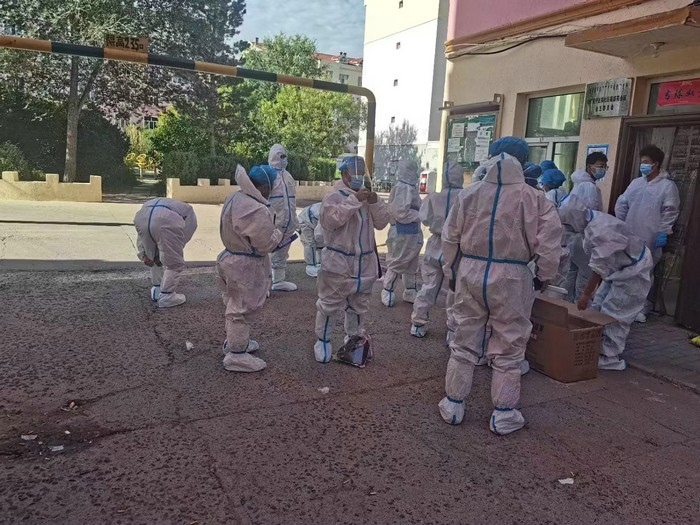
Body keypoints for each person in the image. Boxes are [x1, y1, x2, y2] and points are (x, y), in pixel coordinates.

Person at [438, 137, 562, 435]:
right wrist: (543, 276)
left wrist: (451, 270)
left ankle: (453, 404)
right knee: (509, 344)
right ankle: (503, 414)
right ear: (524, 160)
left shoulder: (470, 194)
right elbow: (549, 245)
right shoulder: (535, 199)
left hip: (470, 270)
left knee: (464, 337)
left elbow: (450, 237)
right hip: (513, 277)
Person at [559, 198, 653, 371]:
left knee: (616, 313)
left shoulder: (600, 230)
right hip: (618, 267)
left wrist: (585, 295)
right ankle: (596, 346)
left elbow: (598, 268)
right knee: (598, 306)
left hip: (634, 269)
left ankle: (610, 357)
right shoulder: (590, 221)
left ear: (574, 218)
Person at [314, 156, 392, 363]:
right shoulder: (333, 196)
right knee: (329, 305)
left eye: (361, 171)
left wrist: (375, 203)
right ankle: (323, 341)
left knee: (358, 307)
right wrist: (353, 201)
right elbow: (330, 221)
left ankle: (354, 342)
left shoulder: (366, 197)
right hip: (338, 263)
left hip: (363, 264)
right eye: (354, 172)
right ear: (344, 174)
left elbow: (382, 223)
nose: (359, 176)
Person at [217, 165, 284, 372]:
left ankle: (235, 342)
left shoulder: (235, 197)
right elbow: (264, 244)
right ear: (265, 186)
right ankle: (236, 355)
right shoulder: (256, 208)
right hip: (245, 265)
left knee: (233, 304)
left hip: (229, 258)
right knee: (241, 310)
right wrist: (278, 235)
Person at [615, 145, 680, 322]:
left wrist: (664, 231)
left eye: (646, 162)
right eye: (641, 161)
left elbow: (670, 211)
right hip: (630, 234)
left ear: (656, 164)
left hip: (651, 236)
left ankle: (642, 307)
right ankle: (625, 305)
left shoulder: (667, 186)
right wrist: (621, 225)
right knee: (627, 270)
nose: (642, 165)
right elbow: (622, 203)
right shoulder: (636, 183)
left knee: (645, 273)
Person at [410, 161, 464, 339]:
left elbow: (424, 218)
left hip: (435, 243)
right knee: (455, 289)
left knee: (429, 285)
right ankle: (453, 331)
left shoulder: (434, 197)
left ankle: (418, 323)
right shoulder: (466, 196)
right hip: (456, 246)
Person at [134, 197, 198, 308]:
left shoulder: (152, 204)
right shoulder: (188, 212)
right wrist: (173, 250)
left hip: (141, 217)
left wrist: (143, 254)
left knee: (152, 257)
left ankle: (157, 289)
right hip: (166, 220)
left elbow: (141, 236)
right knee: (174, 264)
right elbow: (185, 234)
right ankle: (167, 296)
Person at [559, 152, 606, 301]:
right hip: (583, 235)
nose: (603, 169)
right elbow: (590, 213)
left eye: (605, 166)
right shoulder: (589, 187)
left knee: (571, 272)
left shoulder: (579, 184)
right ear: (590, 166)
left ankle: (566, 305)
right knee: (586, 274)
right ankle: (581, 306)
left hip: (572, 235)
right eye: (600, 166)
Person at [382, 159, 424, 307]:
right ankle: (388, 290)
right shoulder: (402, 188)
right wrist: (420, 214)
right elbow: (400, 212)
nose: (416, 174)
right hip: (401, 233)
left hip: (412, 232)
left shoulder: (410, 188)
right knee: (398, 262)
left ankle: (410, 290)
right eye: (414, 170)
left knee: (411, 263)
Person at [268, 144, 299, 292]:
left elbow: (292, 201)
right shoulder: (268, 175)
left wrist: (295, 220)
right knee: (266, 253)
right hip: (273, 224)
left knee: (282, 252)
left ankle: (278, 281)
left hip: (288, 223)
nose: (283, 159)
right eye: (280, 156)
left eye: (284, 156)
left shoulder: (288, 176)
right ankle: (263, 284)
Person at [298, 202, 323, 277]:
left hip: (312, 218)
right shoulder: (326, 214)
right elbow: (319, 234)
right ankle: (311, 266)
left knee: (320, 244)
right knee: (310, 243)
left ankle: (319, 263)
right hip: (305, 220)